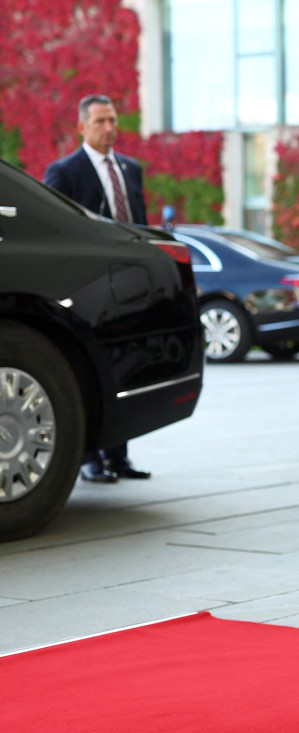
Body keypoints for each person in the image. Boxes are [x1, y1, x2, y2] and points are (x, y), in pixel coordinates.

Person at [43, 94, 152, 484]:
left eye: (113, 120)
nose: (110, 128)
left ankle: (119, 457)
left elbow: (139, 225)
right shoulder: (65, 172)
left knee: (126, 366)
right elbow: (53, 234)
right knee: (87, 370)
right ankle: (89, 458)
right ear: (82, 127)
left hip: (129, 287)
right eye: (101, 121)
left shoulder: (131, 169)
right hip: (86, 290)